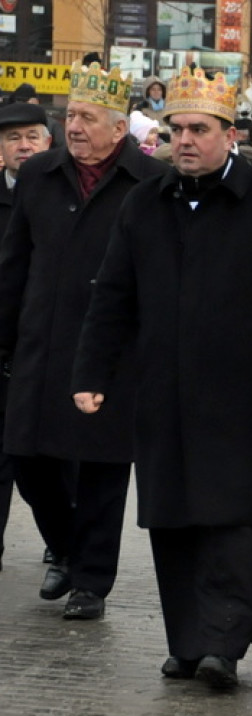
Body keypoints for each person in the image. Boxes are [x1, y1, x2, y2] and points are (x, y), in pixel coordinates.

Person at [70, 65, 252, 690]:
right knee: (173, 520)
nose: (183, 140)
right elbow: (113, 296)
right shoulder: (145, 201)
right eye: (175, 129)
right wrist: (92, 371)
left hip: (243, 396)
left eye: (198, 129)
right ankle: (186, 641)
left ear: (229, 134)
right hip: (162, 392)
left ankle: (223, 645)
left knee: (230, 521)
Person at [0, 61, 165, 619]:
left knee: (101, 470)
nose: (75, 127)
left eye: (88, 118)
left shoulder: (149, 183)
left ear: (119, 129)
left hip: (113, 351)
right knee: (26, 459)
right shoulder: (39, 175)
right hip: (39, 344)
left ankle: (92, 580)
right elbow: (14, 264)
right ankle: (66, 548)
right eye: (71, 116)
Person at [0, 102, 52, 569]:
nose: (24, 145)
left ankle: (61, 542)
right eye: (14, 138)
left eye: (32, 136)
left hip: (49, 352)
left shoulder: (64, 194)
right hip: (3, 349)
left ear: (48, 142)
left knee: (48, 467)